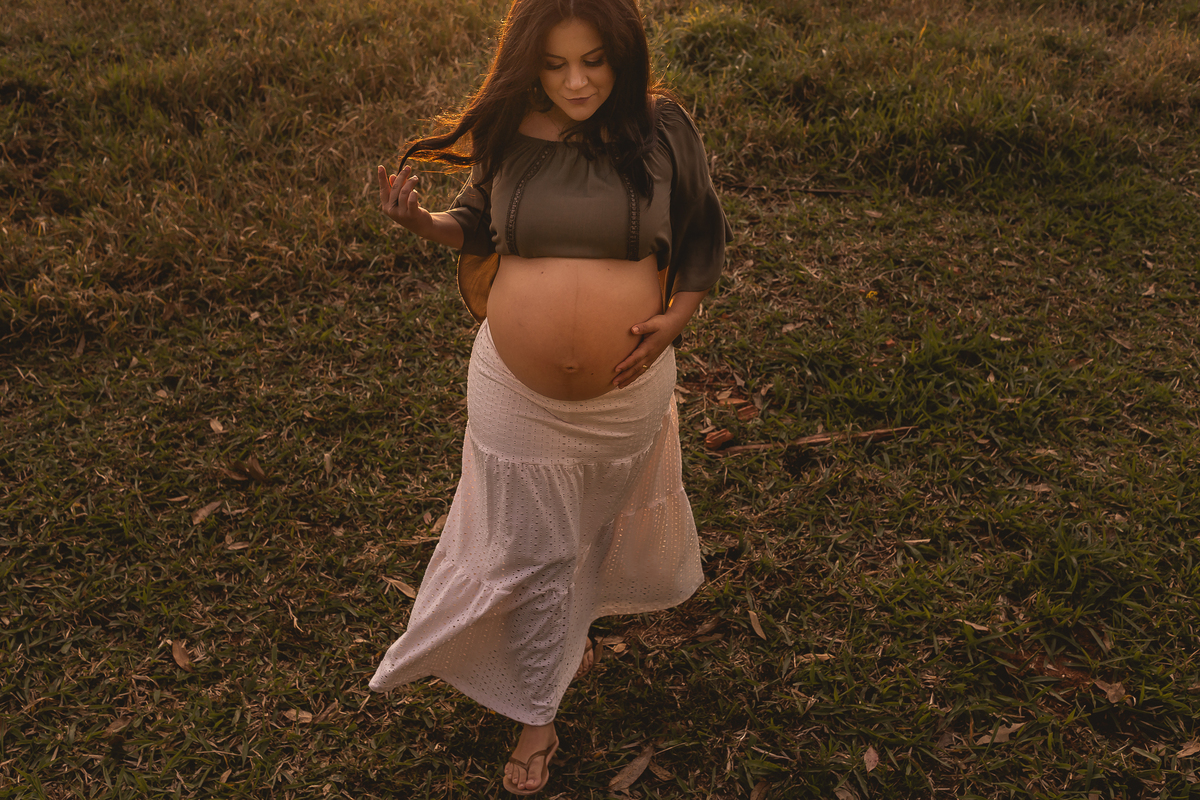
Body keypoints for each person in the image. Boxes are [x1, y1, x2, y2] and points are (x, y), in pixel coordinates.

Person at [367, 0, 729, 793]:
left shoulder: (662, 129)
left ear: (622, 54)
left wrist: (675, 318)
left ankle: (569, 635)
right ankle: (539, 711)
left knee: (587, 529)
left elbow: (701, 228)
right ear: (530, 60)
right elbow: (477, 226)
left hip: (624, 397)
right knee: (536, 546)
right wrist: (421, 222)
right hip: (515, 393)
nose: (576, 81)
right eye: (557, 63)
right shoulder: (512, 132)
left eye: (594, 60)